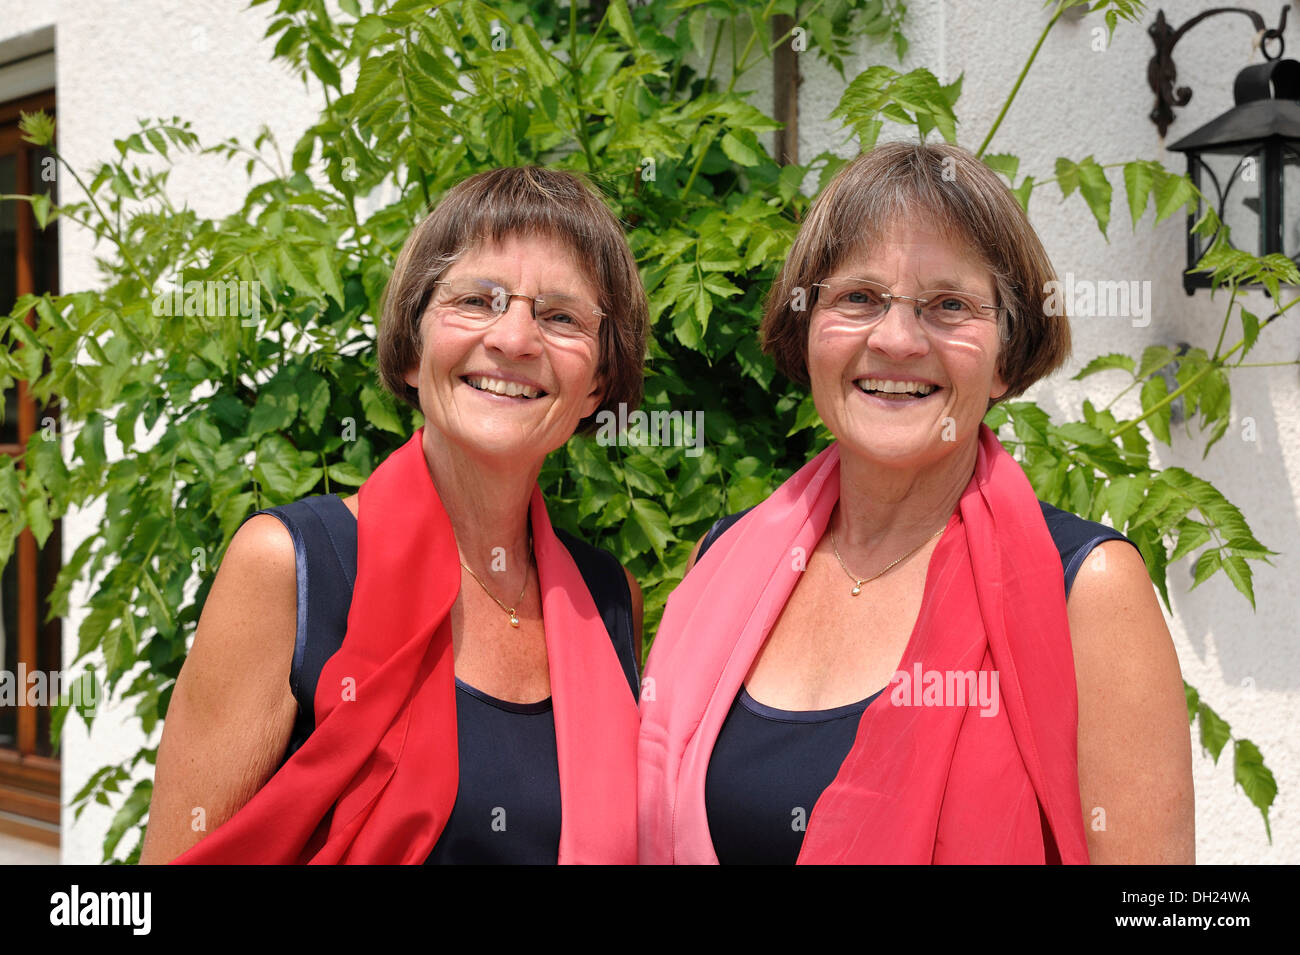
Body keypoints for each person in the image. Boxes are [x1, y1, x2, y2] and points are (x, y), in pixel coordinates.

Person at [638, 142, 1194, 865]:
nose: (897, 339)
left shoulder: (1088, 589)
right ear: (806, 331)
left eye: (949, 306)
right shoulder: (722, 560)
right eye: (859, 297)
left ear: (1006, 354)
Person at [141, 166, 648, 864]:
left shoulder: (609, 600)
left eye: (560, 316)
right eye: (477, 299)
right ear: (412, 348)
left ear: (597, 382)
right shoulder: (290, 568)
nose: (515, 339)